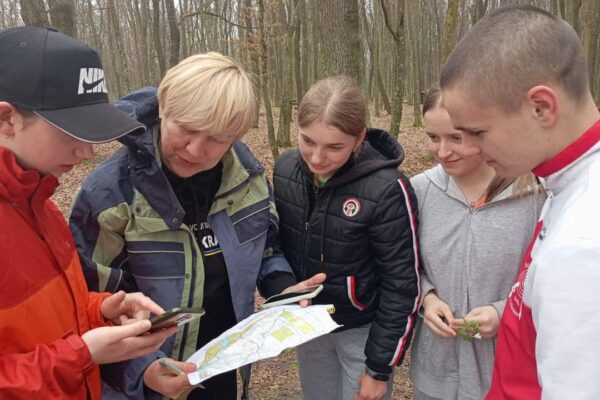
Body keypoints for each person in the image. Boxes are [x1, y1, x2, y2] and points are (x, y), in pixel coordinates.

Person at [68, 52, 324, 400]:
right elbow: (88, 304)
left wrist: (281, 286)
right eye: (186, 128)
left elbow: (265, 247)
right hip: (138, 381)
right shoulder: (111, 196)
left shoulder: (248, 181)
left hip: (219, 364)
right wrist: (144, 368)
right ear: (162, 107)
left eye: (217, 139)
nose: (195, 149)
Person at [0, 26, 176, 399]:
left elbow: (39, 323)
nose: (87, 153)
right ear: (7, 119)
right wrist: (81, 354)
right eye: (71, 134)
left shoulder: (40, 206)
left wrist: (102, 311)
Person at [439, 5, 600, 399]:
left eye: (477, 131)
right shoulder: (566, 183)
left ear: (541, 107)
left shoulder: (583, 244)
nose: (471, 149)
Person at [273, 76, 420, 400]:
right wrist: (282, 288)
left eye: (334, 147)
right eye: (308, 141)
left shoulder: (386, 189)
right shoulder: (285, 169)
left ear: (359, 138)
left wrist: (379, 368)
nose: (317, 157)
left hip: (362, 332)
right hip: (309, 325)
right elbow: (275, 243)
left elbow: (402, 284)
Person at [408, 87, 545, 399]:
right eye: (433, 137)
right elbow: (402, 265)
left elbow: (546, 276)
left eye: (456, 138)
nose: (442, 152)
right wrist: (426, 299)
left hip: (507, 372)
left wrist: (502, 312)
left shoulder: (534, 194)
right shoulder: (418, 192)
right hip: (436, 372)